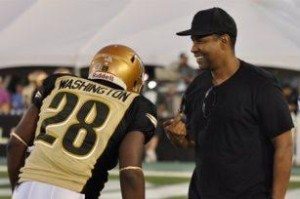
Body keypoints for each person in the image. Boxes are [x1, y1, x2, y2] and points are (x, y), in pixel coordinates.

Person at [164, 7, 293, 199]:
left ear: (224, 40)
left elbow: (284, 145)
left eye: (200, 40)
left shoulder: (260, 84)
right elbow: (198, 140)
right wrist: (179, 137)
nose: (193, 48)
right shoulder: (197, 86)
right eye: (192, 41)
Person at [7, 44, 157, 199]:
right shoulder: (136, 104)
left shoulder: (58, 82)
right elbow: (130, 172)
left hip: (27, 185)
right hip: (74, 191)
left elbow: (16, 143)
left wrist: (18, 191)